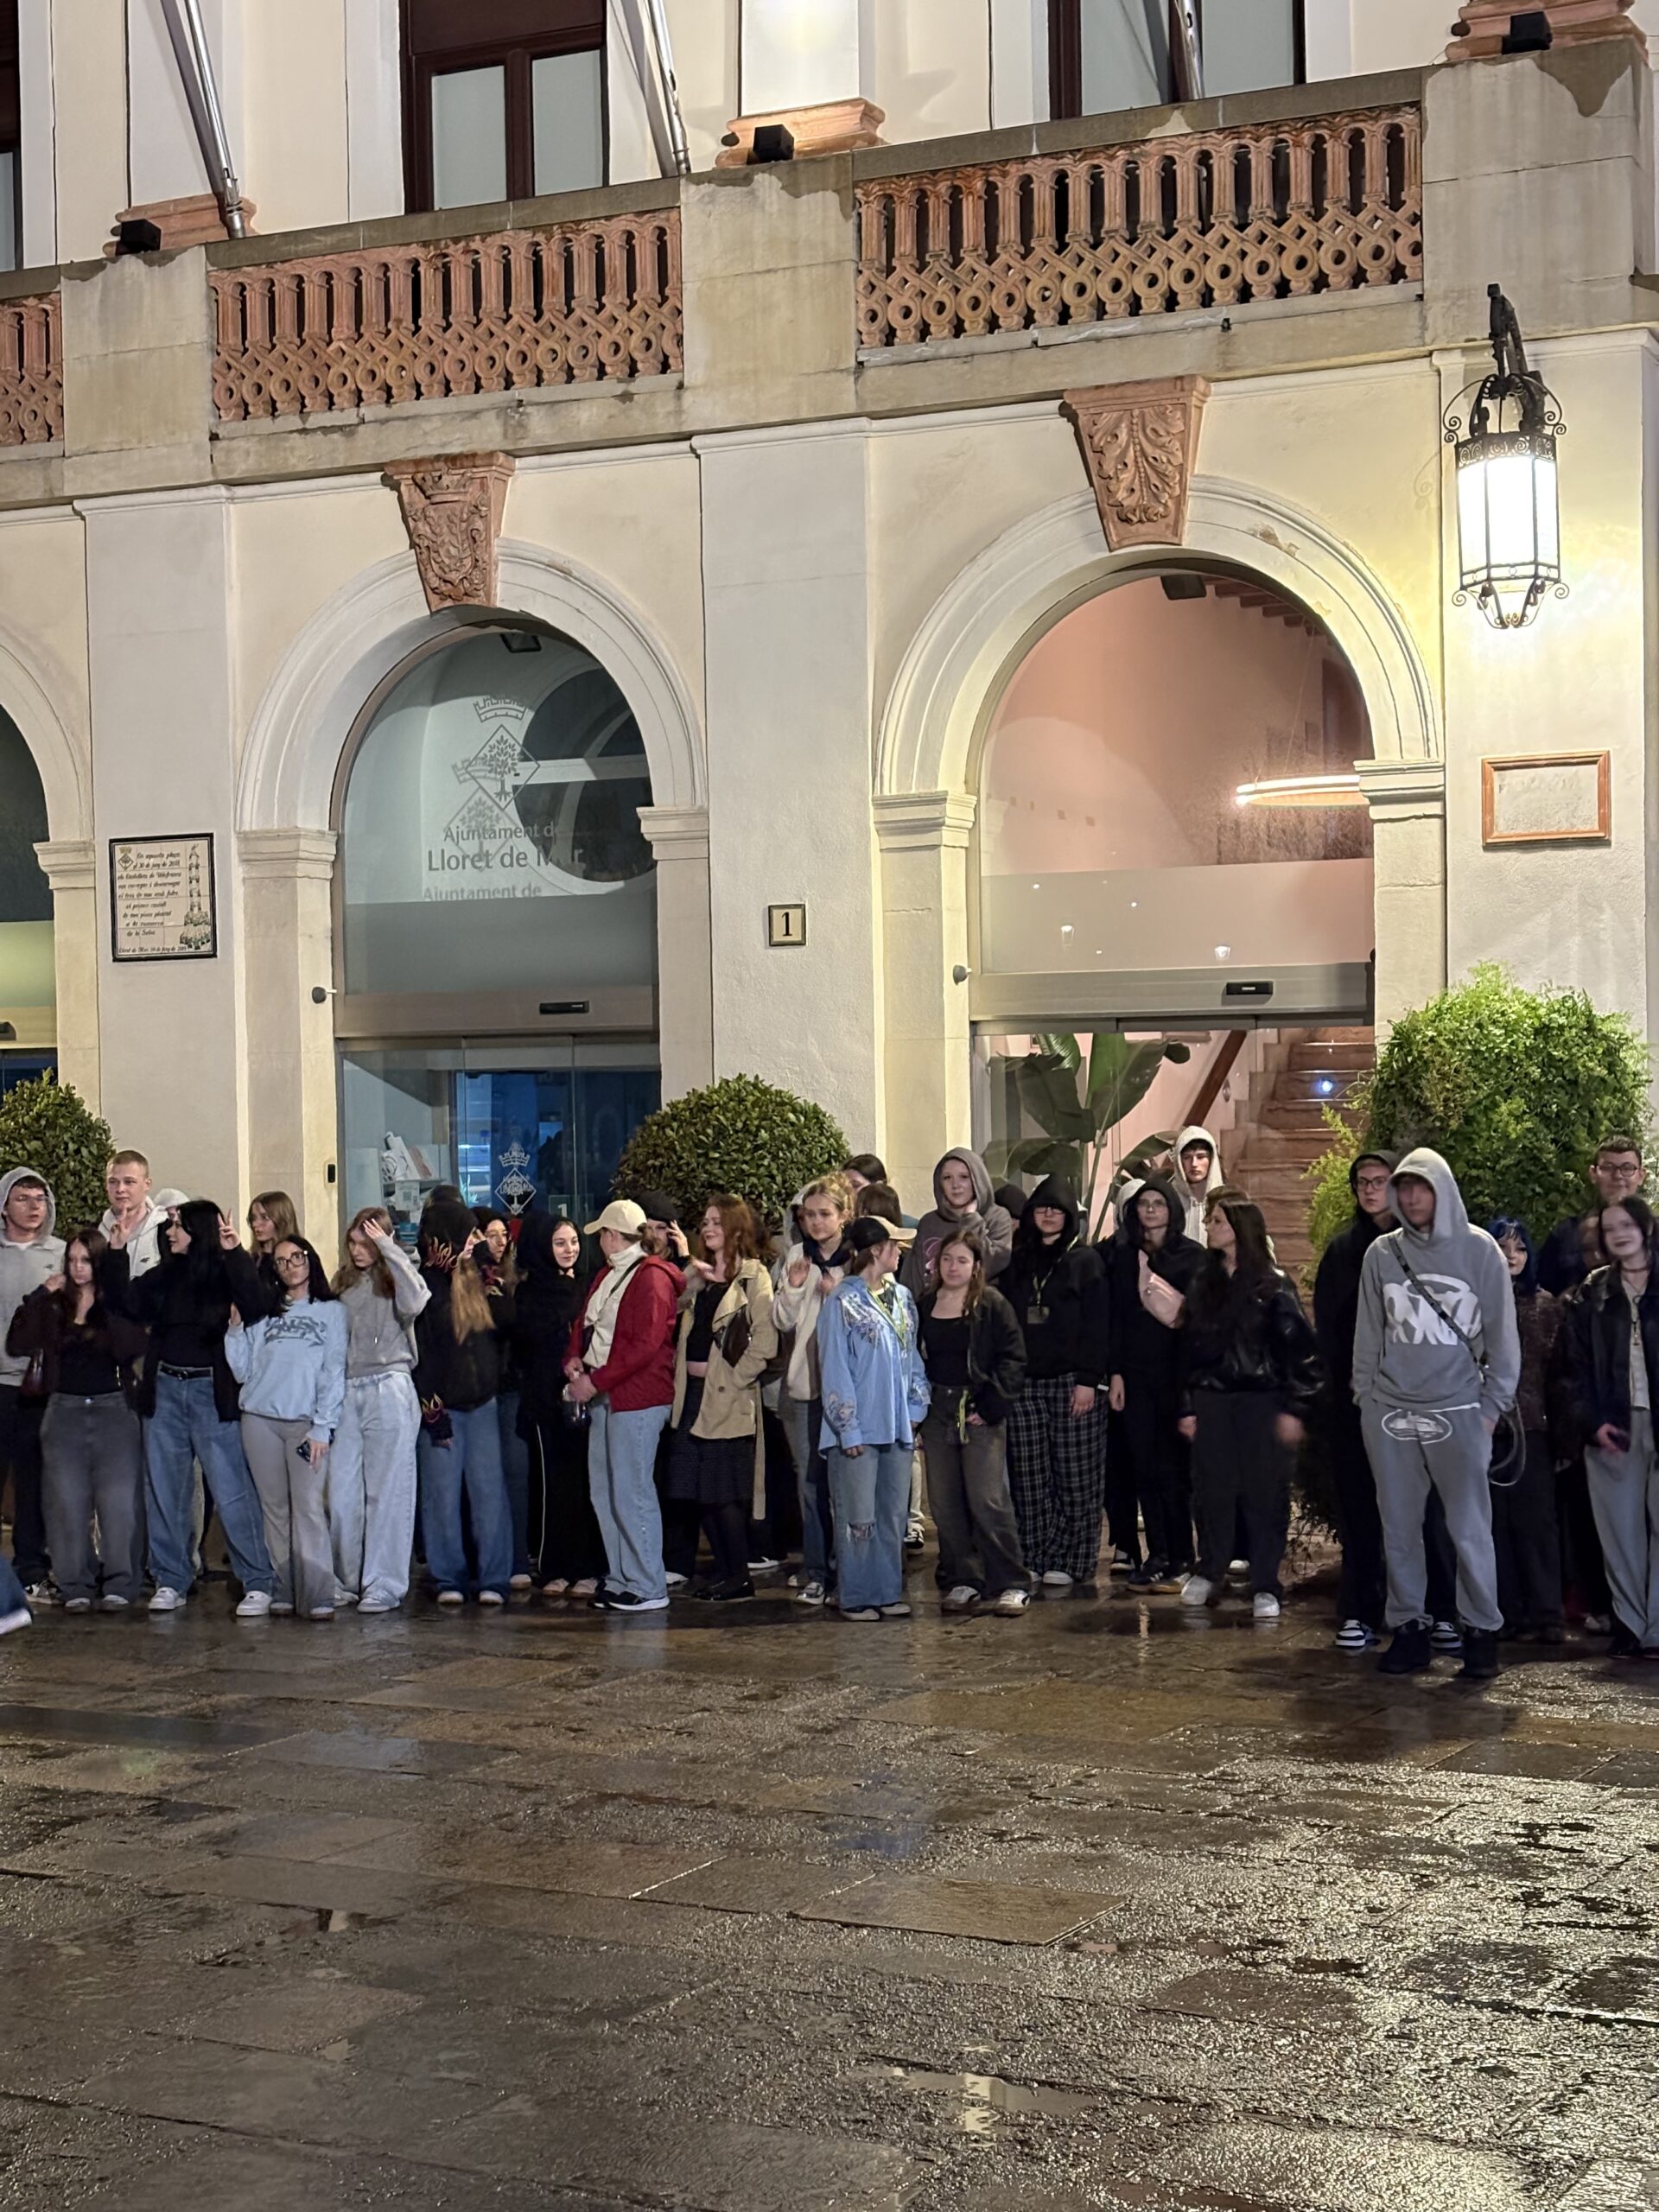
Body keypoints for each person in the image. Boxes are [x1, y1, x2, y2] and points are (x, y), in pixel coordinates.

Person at [1353, 1148, 1520, 1681]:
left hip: (1460, 1409)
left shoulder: (1480, 1250)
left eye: (1421, 1186)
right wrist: (1366, 1397)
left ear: (1441, 1190)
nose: (1411, 1197)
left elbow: (1503, 1337)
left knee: (1469, 1529)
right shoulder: (1382, 1253)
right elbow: (1369, 1333)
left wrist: (1490, 1409)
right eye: (1403, 1187)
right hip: (1390, 1410)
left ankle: (1481, 1632)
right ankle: (1409, 1628)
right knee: (1399, 1527)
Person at [105, 1198, 279, 1616]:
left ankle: (258, 1580)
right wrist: (117, 1251)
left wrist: (234, 1251)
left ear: (198, 1231)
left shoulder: (223, 1271)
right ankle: (171, 1578)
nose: (170, 1233)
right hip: (166, 1387)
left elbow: (257, 1304)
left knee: (231, 1488)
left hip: (210, 1392)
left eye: (178, 1226)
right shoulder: (168, 1273)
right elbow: (127, 1302)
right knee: (166, 1490)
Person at [1179, 1192, 1321, 1618]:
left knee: (1265, 1492)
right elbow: (1187, 1347)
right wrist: (1187, 1405)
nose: (1210, 1228)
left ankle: (1265, 1582)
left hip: (1261, 1400)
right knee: (1212, 1490)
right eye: (1210, 1220)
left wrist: (1295, 1408)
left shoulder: (1272, 1284)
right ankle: (1211, 1569)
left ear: (1240, 1229)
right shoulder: (1204, 1281)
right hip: (1212, 1399)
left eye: (1218, 1221)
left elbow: (1301, 1352)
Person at [7, 1228, 148, 1612]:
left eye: (85, 1260)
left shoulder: (115, 1304)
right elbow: (17, 1343)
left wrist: (110, 1295)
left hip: (113, 1409)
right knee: (65, 1504)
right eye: (71, 1260)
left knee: (119, 1504)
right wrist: (41, 1294)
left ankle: (120, 1581)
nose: (77, 1268)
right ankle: (75, 1584)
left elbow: (134, 1345)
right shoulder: (55, 1305)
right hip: (63, 1410)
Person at [564, 1198, 680, 1613]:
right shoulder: (608, 1275)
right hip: (607, 1395)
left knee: (632, 1491)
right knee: (606, 1490)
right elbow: (586, 1324)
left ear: (613, 1236)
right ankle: (621, 1577)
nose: (599, 1241)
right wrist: (574, 1359)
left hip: (637, 1398)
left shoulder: (651, 1278)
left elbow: (644, 1346)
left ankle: (647, 1583)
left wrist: (594, 1381)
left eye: (602, 1234)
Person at [226, 1236, 348, 1621]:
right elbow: (242, 1371)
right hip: (260, 1419)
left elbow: (334, 1370)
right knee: (274, 1509)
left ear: (310, 1259)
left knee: (309, 1507)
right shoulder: (265, 1313)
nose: (290, 1265)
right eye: (281, 1261)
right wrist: (235, 1331)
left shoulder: (332, 1312)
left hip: (305, 1424)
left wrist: (323, 1426)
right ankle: (282, 1588)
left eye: (297, 1257)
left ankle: (318, 1593)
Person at [1558, 1195, 1659, 1658]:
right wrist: (1591, 1422)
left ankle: (1657, 1627)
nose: (1618, 1234)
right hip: (1614, 1427)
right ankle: (1631, 1625)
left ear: (1645, 1227)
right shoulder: (1591, 1292)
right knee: (1619, 1531)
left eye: (1626, 1225)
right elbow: (1571, 1369)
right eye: (1609, 1228)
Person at [1000, 1176, 1111, 1592]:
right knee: (1029, 1477)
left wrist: (1089, 1380)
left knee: (1076, 1476)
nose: (1048, 1215)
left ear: (1069, 1216)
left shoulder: (1085, 1261)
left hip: (1072, 1382)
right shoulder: (1018, 1260)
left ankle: (1073, 1559)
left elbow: (1099, 1324)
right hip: (1026, 1383)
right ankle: (1034, 1555)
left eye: (1056, 1209)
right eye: (1041, 1208)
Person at [818, 1215, 930, 1621]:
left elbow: (912, 1356)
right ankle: (856, 1595)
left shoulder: (902, 1298)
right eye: (893, 1245)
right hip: (859, 1430)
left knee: (891, 1515)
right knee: (857, 1517)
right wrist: (847, 1428)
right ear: (875, 1250)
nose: (899, 1252)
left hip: (897, 1426)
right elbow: (835, 1367)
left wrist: (915, 1408)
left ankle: (886, 1592)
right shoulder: (842, 1302)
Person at [667, 1195, 778, 1602]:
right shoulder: (700, 1276)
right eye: (706, 1221)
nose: (708, 1228)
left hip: (727, 1398)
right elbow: (674, 1318)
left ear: (734, 1228)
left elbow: (765, 1340)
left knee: (723, 1492)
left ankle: (738, 1574)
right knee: (699, 1491)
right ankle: (725, 1571)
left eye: (716, 1222)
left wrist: (735, 1378)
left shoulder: (752, 1276)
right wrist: (688, 1283)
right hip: (692, 1397)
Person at [918, 1227, 1030, 1615]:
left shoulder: (992, 1304)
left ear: (976, 1266)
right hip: (937, 1409)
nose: (953, 1267)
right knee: (945, 1503)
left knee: (987, 1499)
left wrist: (993, 1404)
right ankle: (964, 1577)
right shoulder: (925, 1304)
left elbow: (1012, 1357)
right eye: (947, 1259)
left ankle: (1011, 1581)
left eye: (962, 1260)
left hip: (978, 1409)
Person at [1313, 1151, 1400, 1652]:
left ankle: (1418, 1612)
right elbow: (1330, 1324)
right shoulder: (1344, 1249)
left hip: (1411, 1398)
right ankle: (1359, 1609)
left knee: (1414, 1511)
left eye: (1379, 1181)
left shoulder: (1416, 1246)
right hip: (1355, 1400)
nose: (1370, 1190)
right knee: (1360, 1507)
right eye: (1362, 1182)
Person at [412, 1201, 515, 1606]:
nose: (475, 1240)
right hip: (443, 1406)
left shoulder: (481, 1279)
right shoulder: (426, 1285)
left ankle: (494, 1578)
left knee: (489, 1494)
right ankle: (448, 1578)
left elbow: (508, 1320)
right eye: (468, 1234)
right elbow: (422, 1350)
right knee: (441, 1496)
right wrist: (431, 1408)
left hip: (482, 1402)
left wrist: (490, 1270)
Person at [328, 1206, 429, 1613]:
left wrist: (389, 1249)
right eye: (353, 1242)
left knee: (389, 1492)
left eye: (366, 1242)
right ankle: (346, 1578)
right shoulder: (342, 1283)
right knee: (342, 1494)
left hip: (389, 1384)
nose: (358, 1250)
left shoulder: (400, 1275)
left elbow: (416, 1301)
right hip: (347, 1388)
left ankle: (384, 1584)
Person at [1106, 1175, 1204, 1592]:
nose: (1150, 1210)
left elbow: (1198, 1326)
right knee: (1144, 1468)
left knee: (1174, 1472)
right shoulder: (1124, 1256)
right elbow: (1116, 1318)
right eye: (1143, 1203)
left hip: (1177, 1377)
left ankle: (1182, 1557)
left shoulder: (1193, 1258)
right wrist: (1116, 1372)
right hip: (1135, 1377)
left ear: (1171, 1210)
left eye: (1158, 1203)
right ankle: (1157, 1554)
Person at [511, 1211, 605, 1596]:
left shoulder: (588, 1286)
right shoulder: (529, 1293)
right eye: (560, 1243)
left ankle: (590, 1566)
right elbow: (527, 1343)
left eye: (574, 1242)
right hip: (545, 1401)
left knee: (587, 1482)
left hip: (585, 1397)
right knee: (554, 1485)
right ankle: (556, 1566)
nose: (569, 1250)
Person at [772, 1174, 854, 1606]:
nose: (817, 1222)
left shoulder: (856, 1257)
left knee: (845, 1483)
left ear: (844, 1215)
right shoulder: (797, 1256)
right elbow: (782, 1320)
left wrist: (839, 1293)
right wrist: (794, 1286)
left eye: (825, 1214)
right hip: (806, 1385)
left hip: (848, 1389)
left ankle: (850, 1570)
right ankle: (817, 1570)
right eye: (810, 1215)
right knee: (810, 1482)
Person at [1486, 1217, 1566, 1643]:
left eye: (1518, 1248)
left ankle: (1547, 1613)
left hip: (1534, 1426)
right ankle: (1507, 1611)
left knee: (1537, 1522)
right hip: (1487, 1426)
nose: (1511, 1256)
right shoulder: (1476, 1305)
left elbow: (1559, 1372)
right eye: (1502, 1247)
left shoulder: (1545, 1306)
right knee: (1495, 1524)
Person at [0, 1166, 65, 1604]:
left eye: (40, 1198)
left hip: (40, 1388)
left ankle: (31, 1570)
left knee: (33, 1481)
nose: (33, 1206)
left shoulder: (61, 1254)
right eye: (23, 1198)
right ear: (5, 1206)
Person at [473, 1209, 531, 1591]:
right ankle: (485, 1560)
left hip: (510, 1388)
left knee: (515, 1474)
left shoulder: (516, 1279)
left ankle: (517, 1558)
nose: (497, 1241)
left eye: (502, 1234)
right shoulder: (466, 1280)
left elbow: (510, 1321)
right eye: (488, 1234)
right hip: (478, 1390)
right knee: (483, 1480)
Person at [1538, 1136, 1644, 1296]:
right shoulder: (1566, 1234)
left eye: (1627, 1168)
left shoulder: (1655, 1234)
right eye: (1608, 1167)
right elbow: (1542, 1292)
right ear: (1593, 1173)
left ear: (1641, 1176)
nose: (1617, 1176)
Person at [902, 1149, 1014, 1297]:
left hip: (978, 1305)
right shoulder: (929, 1222)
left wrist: (971, 1219)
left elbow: (991, 1264)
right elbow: (913, 1276)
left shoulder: (997, 1217)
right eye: (947, 1178)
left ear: (978, 1179)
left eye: (964, 1177)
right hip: (932, 1306)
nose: (955, 1185)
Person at [100, 1150, 170, 1277]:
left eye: (129, 1182)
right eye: (113, 1182)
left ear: (147, 1185)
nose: (120, 1189)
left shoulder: (167, 1231)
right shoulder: (96, 1231)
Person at [1171, 1125, 1224, 1245]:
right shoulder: (1170, 1199)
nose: (1194, 1164)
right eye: (1187, 1157)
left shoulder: (1226, 1199)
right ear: (1179, 1161)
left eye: (1201, 1157)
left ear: (1211, 1159)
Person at [246, 1192, 301, 1295]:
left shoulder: (297, 1259)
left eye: (265, 1218)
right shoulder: (251, 1259)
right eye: (253, 1218)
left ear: (282, 1220)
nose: (255, 1224)